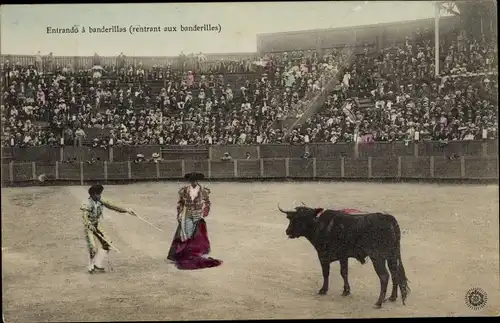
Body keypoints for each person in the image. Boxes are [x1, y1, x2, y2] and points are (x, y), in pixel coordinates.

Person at [167, 172, 222, 270]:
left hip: (197, 213)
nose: (193, 182)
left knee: (196, 234)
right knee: (186, 233)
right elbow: (180, 203)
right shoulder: (184, 190)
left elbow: (207, 203)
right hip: (187, 213)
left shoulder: (203, 191)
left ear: (197, 181)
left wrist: (204, 213)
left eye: (195, 180)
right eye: (191, 181)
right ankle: (186, 253)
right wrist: (179, 213)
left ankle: (195, 252)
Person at [81, 184, 137, 273]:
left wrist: (126, 210)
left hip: (97, 224)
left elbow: (113, 206)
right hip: (89, 227)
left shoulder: (100, 200)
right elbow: (84, 216)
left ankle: (97, 264)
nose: (99, 196)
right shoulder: (87, 203)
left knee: (107, 244)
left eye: (100, 194)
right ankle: (91, 265)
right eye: (98, 194)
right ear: (92, 194)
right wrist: (88, 224)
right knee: (93, 247)